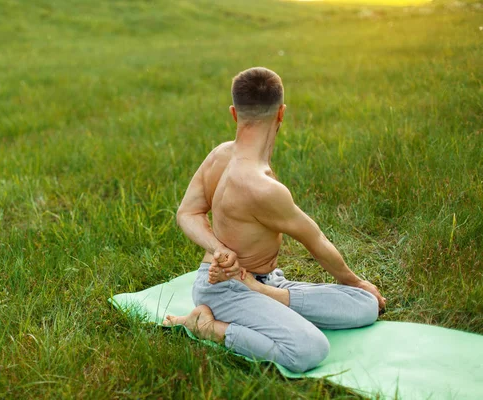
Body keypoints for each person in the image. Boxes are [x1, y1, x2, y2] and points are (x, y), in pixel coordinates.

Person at [163, 67, 386, 373]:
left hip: (266, 282)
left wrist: (219, 249)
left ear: (233, 113)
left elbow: (187, 213)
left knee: (365, 305)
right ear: (281, 113)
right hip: (226, 289)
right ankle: (204, 325)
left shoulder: (219, 156)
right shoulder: (262, 187)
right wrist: (354, 280)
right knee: (309, 350)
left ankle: (268, 295)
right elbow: (315, 241)